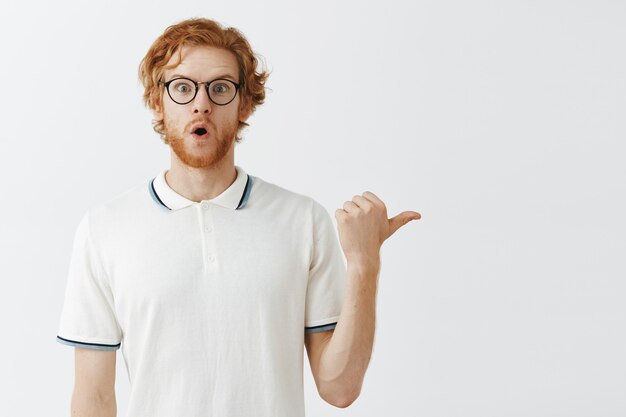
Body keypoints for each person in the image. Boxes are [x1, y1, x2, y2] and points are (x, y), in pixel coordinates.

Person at [56, 17, 421, 417]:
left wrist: (364, 263)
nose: (201, 104)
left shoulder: (302, 220)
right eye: (182, 87)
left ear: (244, 102)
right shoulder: (105, 229)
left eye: (220, 88)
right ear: (157, 101)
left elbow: (339, 388)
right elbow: (93, 398)